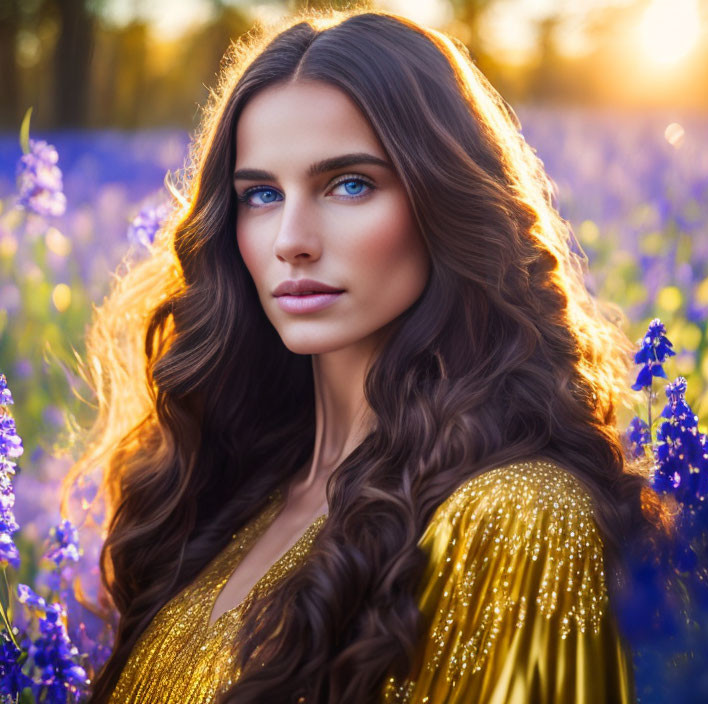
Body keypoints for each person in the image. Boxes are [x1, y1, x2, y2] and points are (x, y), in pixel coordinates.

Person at [70, 9, 665, 703]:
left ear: (444, 199)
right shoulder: (230, 501)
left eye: (349, 184)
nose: (292, 238)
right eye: (261, 194)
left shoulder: (518, 516)